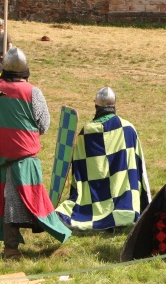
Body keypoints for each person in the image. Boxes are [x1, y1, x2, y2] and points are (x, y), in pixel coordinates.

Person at [0, 48, 71, 258]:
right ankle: (10, 249)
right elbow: (44, 125)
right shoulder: (32, 92)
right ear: (26, 71)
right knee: (10, 204)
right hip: (22, 159)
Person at [56, 87, 151, 230]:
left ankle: (93, 213)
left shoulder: (86, 131)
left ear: (96, 105)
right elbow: (137, 166)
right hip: (125, 203)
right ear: (114, 105)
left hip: (93, 197)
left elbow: (79, 168)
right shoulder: (128, 128)